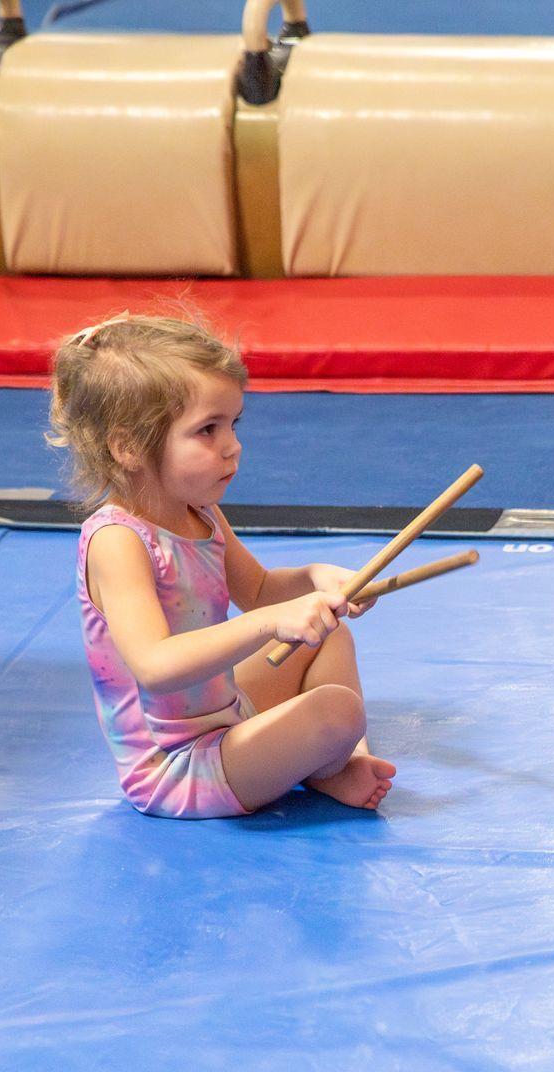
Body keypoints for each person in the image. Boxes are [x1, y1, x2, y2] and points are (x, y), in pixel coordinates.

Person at [49, 314, 396, 818]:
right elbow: (156, 665)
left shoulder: (201, 512)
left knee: (328, 634)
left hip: (227, 717)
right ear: (128, 448)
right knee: (339, 710)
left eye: (233, 424)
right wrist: (271, 622)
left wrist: (318, 578)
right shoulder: (118, 541)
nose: (232, 445)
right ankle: (326, 762)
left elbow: (257, 589)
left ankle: (335, 765)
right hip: (177, 768)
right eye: (207, 430)